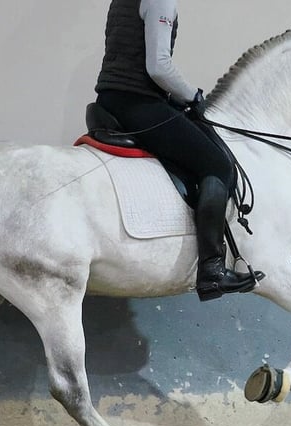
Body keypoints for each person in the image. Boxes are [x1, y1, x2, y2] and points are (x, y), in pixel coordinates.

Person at [94, 0, 262, 302]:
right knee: (217, 164)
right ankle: (212, 269)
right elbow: (158, 66)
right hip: (137, 104)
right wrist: (193, 95)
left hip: (111, 99)